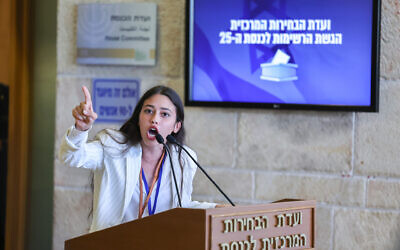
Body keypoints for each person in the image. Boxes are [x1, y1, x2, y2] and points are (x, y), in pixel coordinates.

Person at [59, 85, 217, 232]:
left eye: (164, 114)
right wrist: (81, 129)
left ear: (176, 126)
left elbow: (182, 206)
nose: (154, 119)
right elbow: (71, 156)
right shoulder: (112, 146)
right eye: (148, 111)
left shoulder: (183, 159)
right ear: (139, 118)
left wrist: (218, 209)